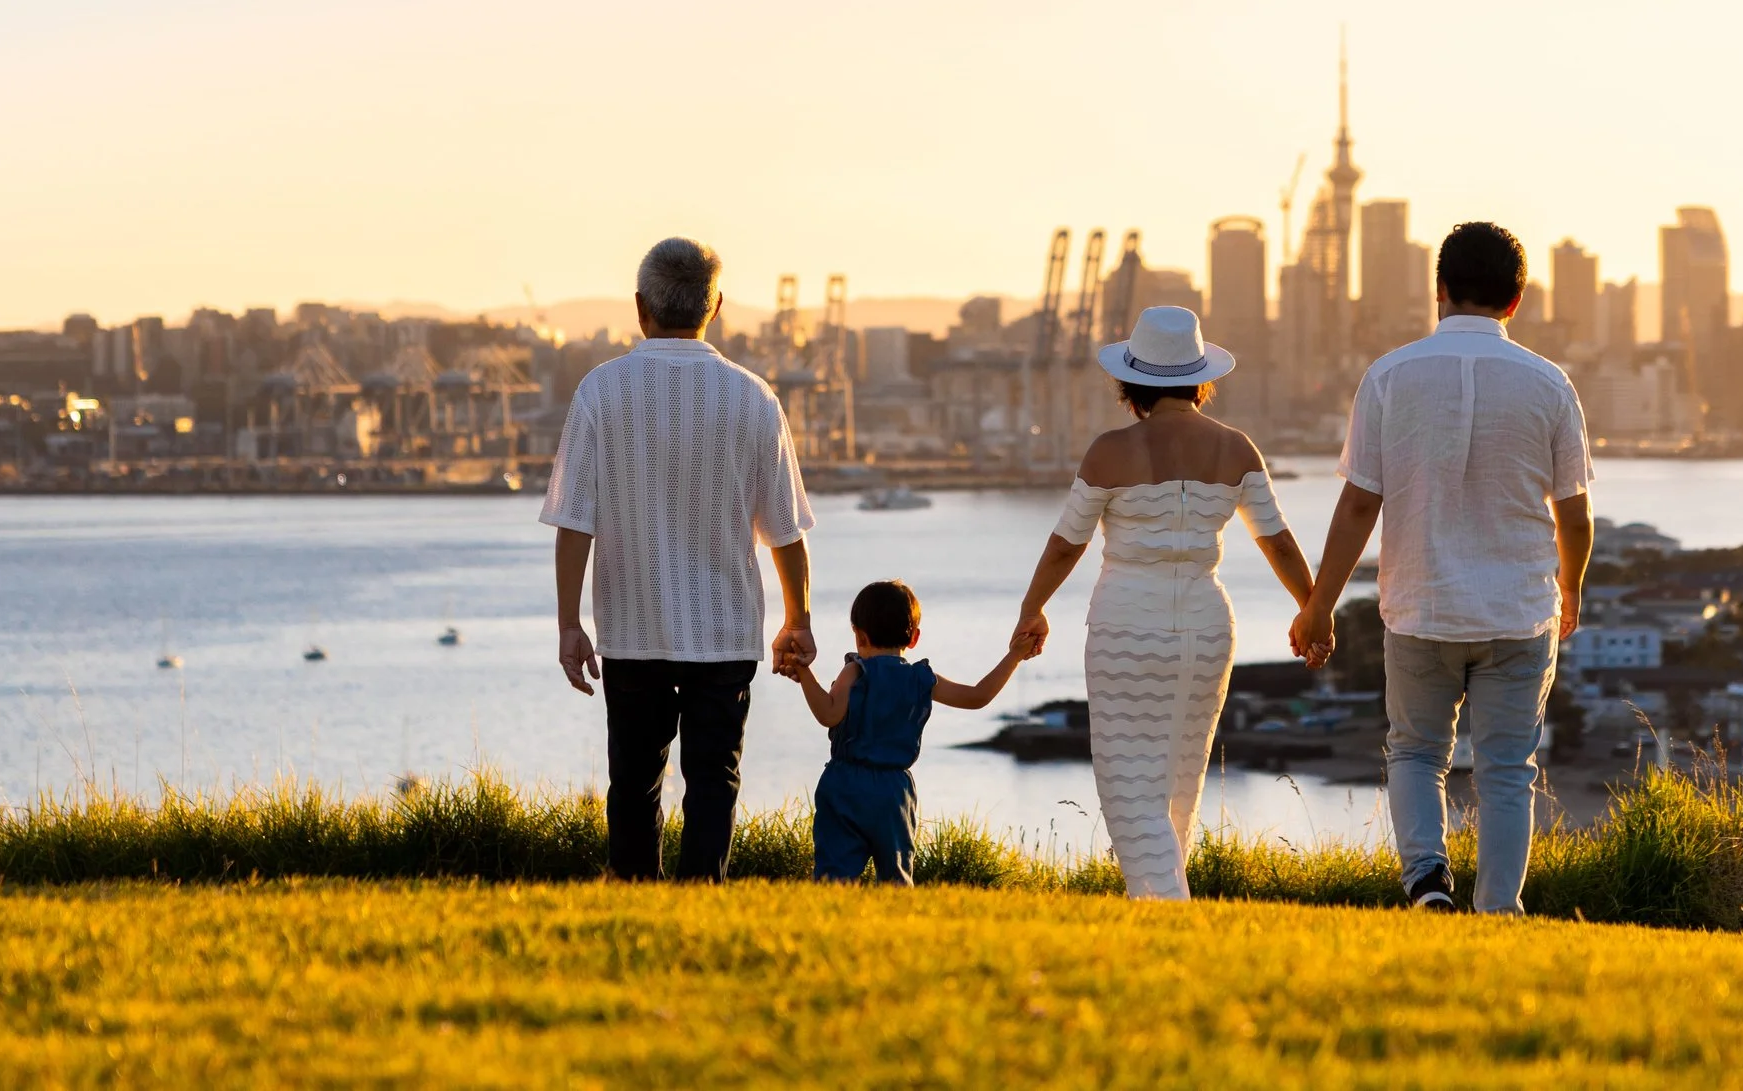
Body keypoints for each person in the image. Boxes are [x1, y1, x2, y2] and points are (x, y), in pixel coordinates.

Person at [1291, 221, 1594, 915]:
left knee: (1417, 753)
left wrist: (1319, 606)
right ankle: (1496, 908)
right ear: (1517, 301)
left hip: (1420, 606)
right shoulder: (1551, 384)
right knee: (1507, 770)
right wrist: (1571, 585)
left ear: (1440, 291)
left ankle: (1427, 881)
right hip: (1520, 610)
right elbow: (1574, 514)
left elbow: (1357, 506)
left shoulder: (1389, 376)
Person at [1012, 305, 1317, 900]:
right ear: (1199, 376)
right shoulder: (1237, 449)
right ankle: (1160, 912)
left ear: (1132, 381)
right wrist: (1313, 609)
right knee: (1179, 786)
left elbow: (1063, 546)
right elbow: (1277, 540)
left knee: (1128, 789)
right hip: (1206, 627)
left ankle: (1166, 910)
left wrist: (1032, 608)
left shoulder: (1109, 451)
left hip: (1127, 625)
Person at [545, 236, 817, 882]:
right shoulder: (755, 398)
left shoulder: (598, 393)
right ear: (715, 306)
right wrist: (797, 617)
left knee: (633, 779)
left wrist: (568, 623)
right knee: (714, 778)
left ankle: (635, 887)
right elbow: (785, 529)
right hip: (724, 631)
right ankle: (703, 892)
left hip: (632, 628)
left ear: (640, 307)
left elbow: (573, 522)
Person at [784, 578, 1037, 885]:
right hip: (894, 790)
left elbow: (828, 713)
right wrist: (1014, 655)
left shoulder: (854, 671)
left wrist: (803, 672)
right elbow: (977, 696)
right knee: (896, 876)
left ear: (859, 636)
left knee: (834, 877)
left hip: (845, 784)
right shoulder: (921, 679)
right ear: (914, 637)